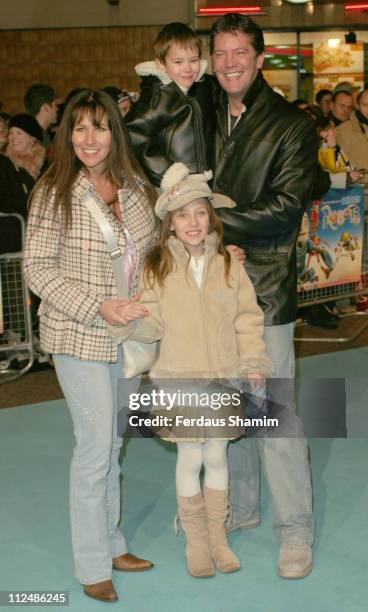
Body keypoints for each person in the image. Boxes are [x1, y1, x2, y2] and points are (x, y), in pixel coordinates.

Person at [24, 89, 157, 603]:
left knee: (114, 445)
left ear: (114, 132)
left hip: (131, 335)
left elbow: (153, 250)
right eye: (79, 128)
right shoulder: (53, 191)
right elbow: (37, 268)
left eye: (99, 127)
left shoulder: (135, 186)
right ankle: (91, 563)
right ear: (67, 134)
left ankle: (114, 542)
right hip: (79, 335)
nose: (89, 138)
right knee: (94, 447)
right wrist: (98, 305)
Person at [108, 162, 272, 578]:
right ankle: (196, 541)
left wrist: (253, 363)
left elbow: (247, 318)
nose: (193, 222)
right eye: (182, 215)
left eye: (200, 212)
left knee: (217, 454)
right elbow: (154, 322)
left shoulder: (230, 265)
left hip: (223, 376)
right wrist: (130, 319)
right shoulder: (156, 267)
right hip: (177, 379)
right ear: (170, 224)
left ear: (211, 217)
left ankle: (217, 537)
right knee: (190, 456)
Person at [209, 13, 317, 579]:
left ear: (259, 57)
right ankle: (243, 508)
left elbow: (287, 207)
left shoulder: (290, 125)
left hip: (267, 291)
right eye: (220, 53)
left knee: (275, 413)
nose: (229, 63)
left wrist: (215, 223)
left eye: (239, 53)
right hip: (209, 292)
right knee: (230, 408)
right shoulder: (203, 112)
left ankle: (295, 532)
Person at [125, 22, 215, 187]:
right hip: (174, 186)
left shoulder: (203, 87)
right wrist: (166, 172)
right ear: (161, 64)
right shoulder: (158, 97)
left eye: (193, 60)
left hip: (205, 181)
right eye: (178, 62)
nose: (187, 68)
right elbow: (131, 134)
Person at [0, 113, 45, 253]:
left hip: (41, 236)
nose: (13, 137)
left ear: (32, 138)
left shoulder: (46, 165)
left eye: (19, 133)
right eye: (11, 132)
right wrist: (32, 203)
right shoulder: (5, 164)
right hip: (14, 238)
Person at [336, 87, 368, 193]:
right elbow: (334, 168)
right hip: (357, 198)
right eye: (366, 105)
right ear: (357, 106)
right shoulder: (342, 131)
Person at [24, 83, 59, 153]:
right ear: (46, 108)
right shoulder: (37, 139)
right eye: (55, 105)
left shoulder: (32, 133)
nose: (57, 109)